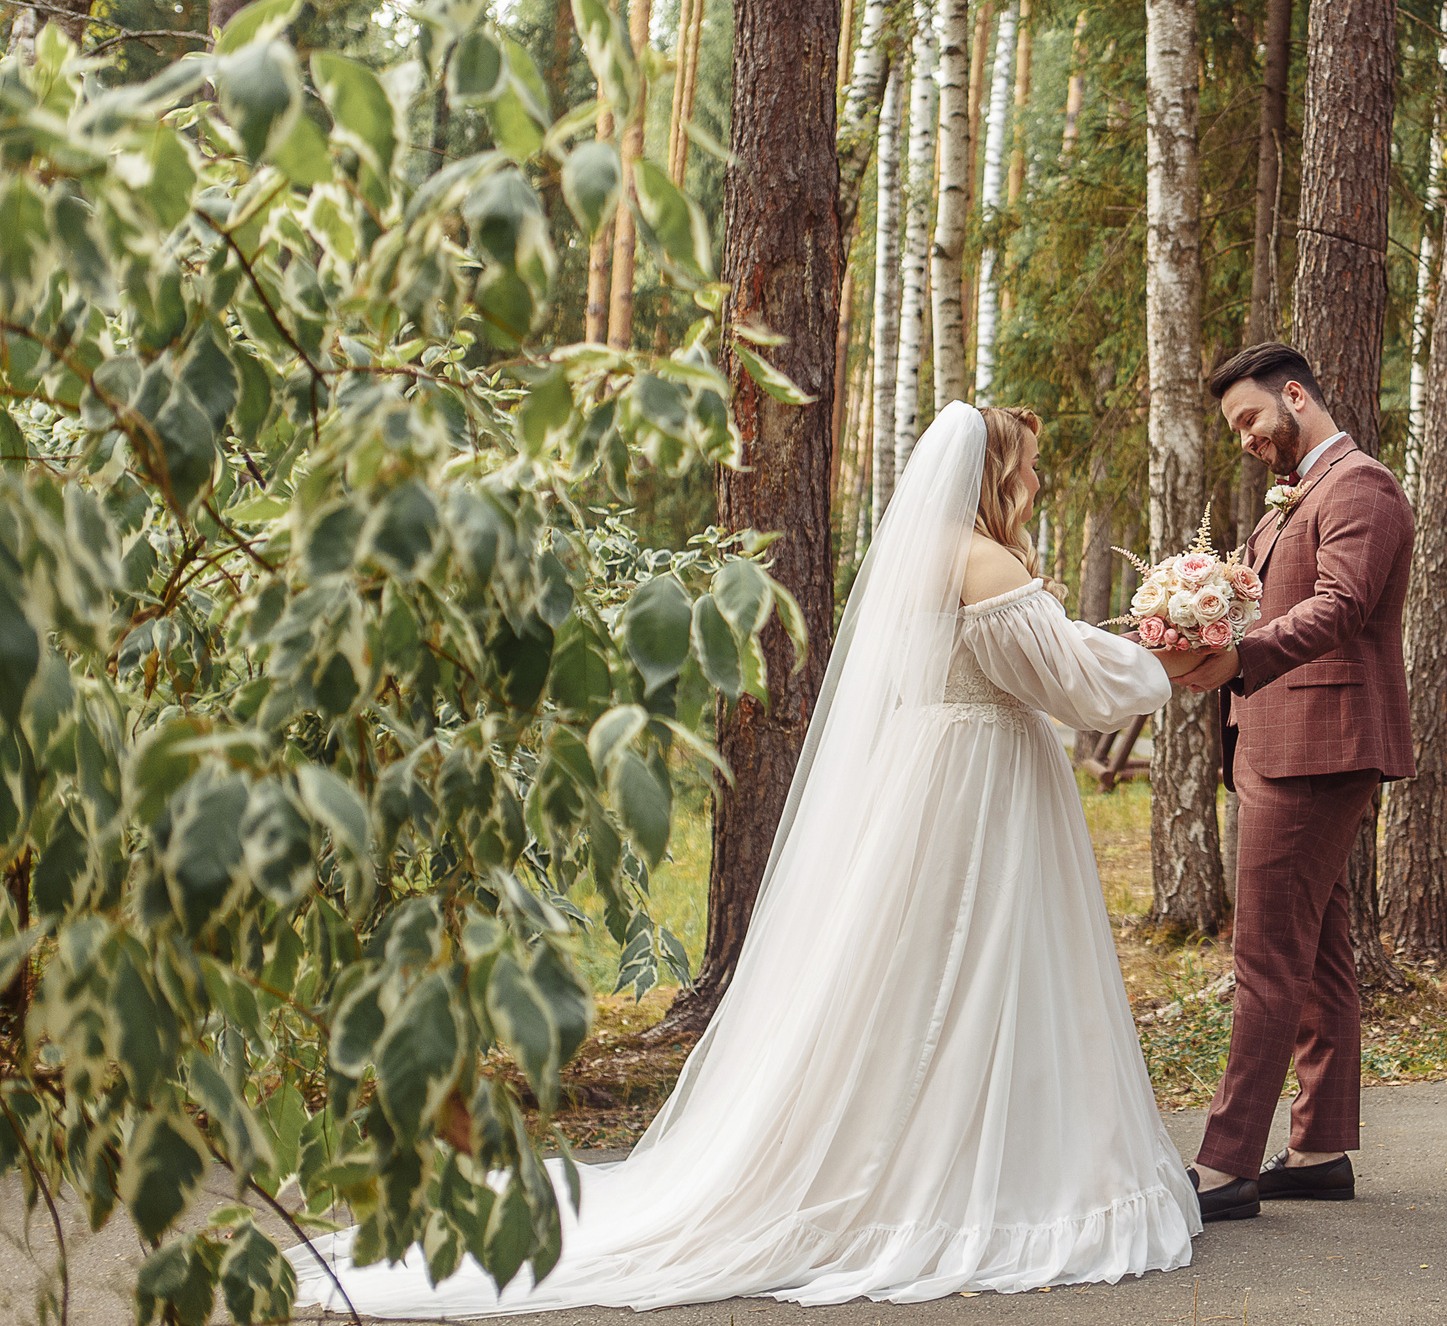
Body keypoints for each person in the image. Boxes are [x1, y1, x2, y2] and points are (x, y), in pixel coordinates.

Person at [294, 402, 1206, 1314]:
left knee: (918, 975)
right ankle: (988, 1171)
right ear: (997, 470)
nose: (1039, 483)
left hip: (924, 782)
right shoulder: (986, 558)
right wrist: (1179, 656)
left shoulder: (915, 555)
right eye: (1032, 466)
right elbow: (1079, 684)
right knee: (988, 962)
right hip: (983, 790)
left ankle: (926, 1141)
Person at [1172, 343, 1416, 1223]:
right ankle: (1318, 1149)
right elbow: (1266, 599)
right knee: (1317, 957)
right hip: (1278, 740)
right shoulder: (1296, 497)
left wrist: (1238, 654)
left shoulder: (1362, 486)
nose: (1243, 438)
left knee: (1265, 957)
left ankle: (1224, 1165)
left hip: (1318, 744)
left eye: (1249, 419)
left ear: (1297, 396)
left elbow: (1342, 605)